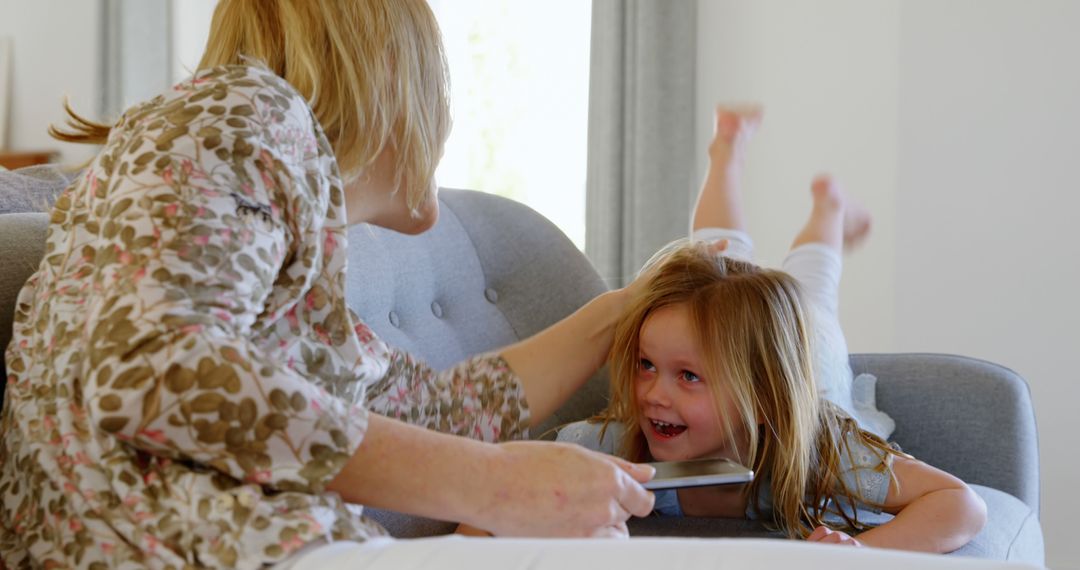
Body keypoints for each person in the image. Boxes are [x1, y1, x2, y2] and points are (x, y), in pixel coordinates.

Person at [0, 1, 658, 568]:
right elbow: (150, 372)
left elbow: (434, 414)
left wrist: (622, 309)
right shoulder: (247, 110)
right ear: (397, 69)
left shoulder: (268, 213)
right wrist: (495, 485)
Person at [555, 107, 988, 553]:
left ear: (763, 400)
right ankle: (726, 153)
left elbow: (961, 504)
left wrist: (866, 552)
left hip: (814, 369)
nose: (653, 395)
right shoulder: (616, 444)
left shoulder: (825, 452)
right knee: (717, 262)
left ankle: (830, 211)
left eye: (687, 376)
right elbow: (544, 470)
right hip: (750, 337)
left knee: (813, 295)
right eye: (647, 365)